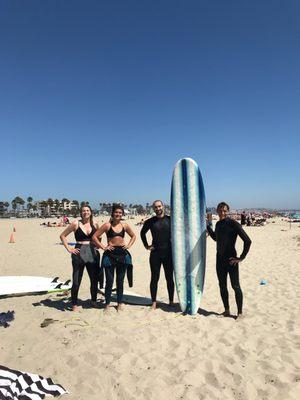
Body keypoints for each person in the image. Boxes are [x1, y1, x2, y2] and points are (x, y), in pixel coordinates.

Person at [207, 202, 251, 320]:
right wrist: (208, 228)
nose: (222, 212)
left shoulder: (233, 224)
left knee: (235, 286)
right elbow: (216, 238)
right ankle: (226, 310)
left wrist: (241, 257)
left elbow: (247, 241)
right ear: (217, 211)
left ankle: (240, 313)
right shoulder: (218, 224)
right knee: (222, 286)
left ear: (228, 211)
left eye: (225, 210)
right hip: (219, 260)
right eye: (220, 210)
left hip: (231, 259)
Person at [92, 204, 136, 312]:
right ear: (113, 213)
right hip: (110, 255)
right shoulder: (107, 225)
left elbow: (133, 236)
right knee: (109, 281)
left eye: (120, 213)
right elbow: (94, 237)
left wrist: (129, 245)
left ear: (122, 214)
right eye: (116, 212)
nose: (118, 214)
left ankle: (119, 303)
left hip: (122, 254)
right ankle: (107, 304)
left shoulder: (124, 225)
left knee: (120, 281)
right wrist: (103, 247)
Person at [60, 205, 100, 311]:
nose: (85, 212)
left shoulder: (95, 224)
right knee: (77, 279)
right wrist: (69, 248)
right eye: (83, 211)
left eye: (87, 210)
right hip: (78, 252)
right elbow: (62, 235)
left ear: (91, 212)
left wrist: (97, 246)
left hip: (92, 252)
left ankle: (94, 301)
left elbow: (99, 237)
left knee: (94, 279)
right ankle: (74, 304)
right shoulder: (75, 224)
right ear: (80, 213)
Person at [140, 200, 174, 310]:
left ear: (163, 206)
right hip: (155, 254)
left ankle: (171, 301)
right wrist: (146, 246)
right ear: (153, 208)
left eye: (159, 206)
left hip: (168, 253)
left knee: (169, 278)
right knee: (155, 278)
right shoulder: (150, 221)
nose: (158, 208)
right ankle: (154, 302)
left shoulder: (170, 219)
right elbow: (142, 233)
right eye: (156, 207)